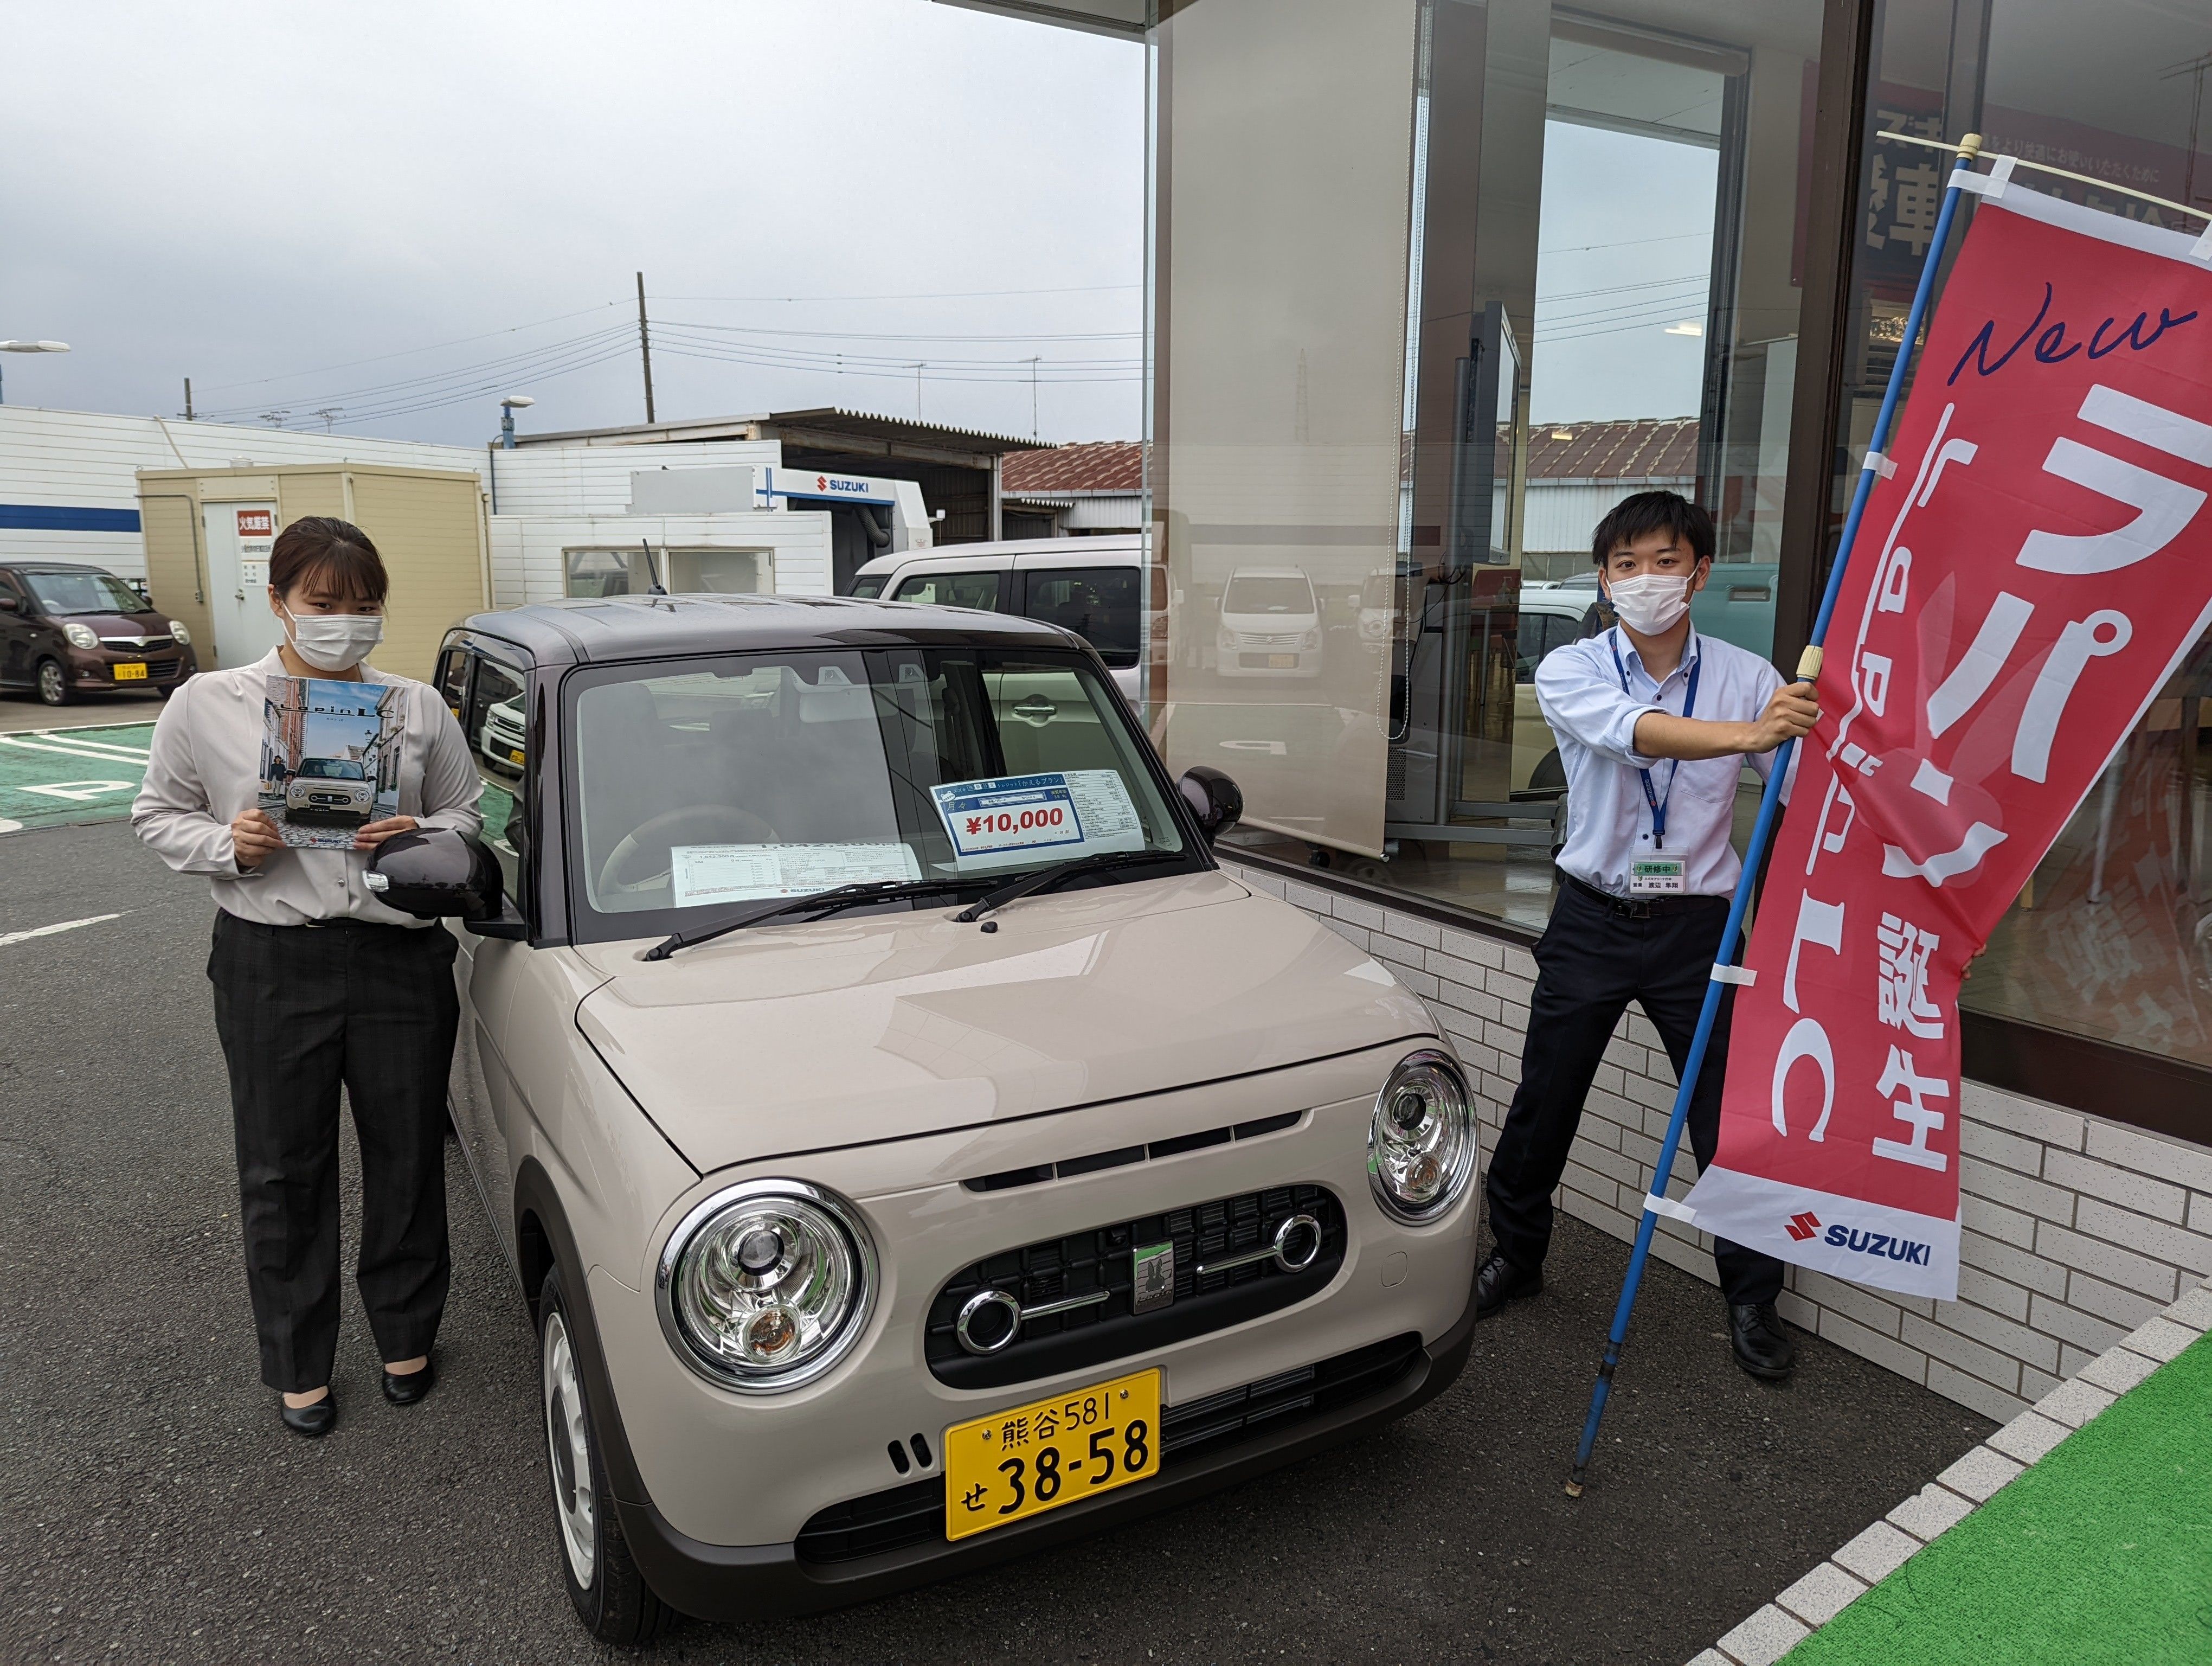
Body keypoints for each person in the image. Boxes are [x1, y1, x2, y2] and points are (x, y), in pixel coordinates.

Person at [133, 517, 482, 1436]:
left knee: (408, 1153)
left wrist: (419, 835)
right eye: (324, 603)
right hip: (271, 958)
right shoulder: (209, 702)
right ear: (279, 600)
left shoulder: (414, 706)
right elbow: (156, 814)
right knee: (281, 1166)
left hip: (398, 958)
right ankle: (299, 1361)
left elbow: (467, 811)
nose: (345, 622)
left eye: (364, 605)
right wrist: (230, 843)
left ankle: (406, 1333)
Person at [1475, 490, 1818, 1380]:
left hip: (1700, 929)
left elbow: (1803, 793)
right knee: (1547, 1097)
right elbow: (1635, 734)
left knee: (1727, 1119)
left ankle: (1752, 1299)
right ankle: (1517, 1252)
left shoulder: (1749, 677)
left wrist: (1805, 736)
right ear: (1603, 579)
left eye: (1664, 562)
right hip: (1590, 917)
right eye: (1626, 565)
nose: (1645, 580)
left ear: (1698, 573)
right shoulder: (1573, 669)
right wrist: (1751, 734)